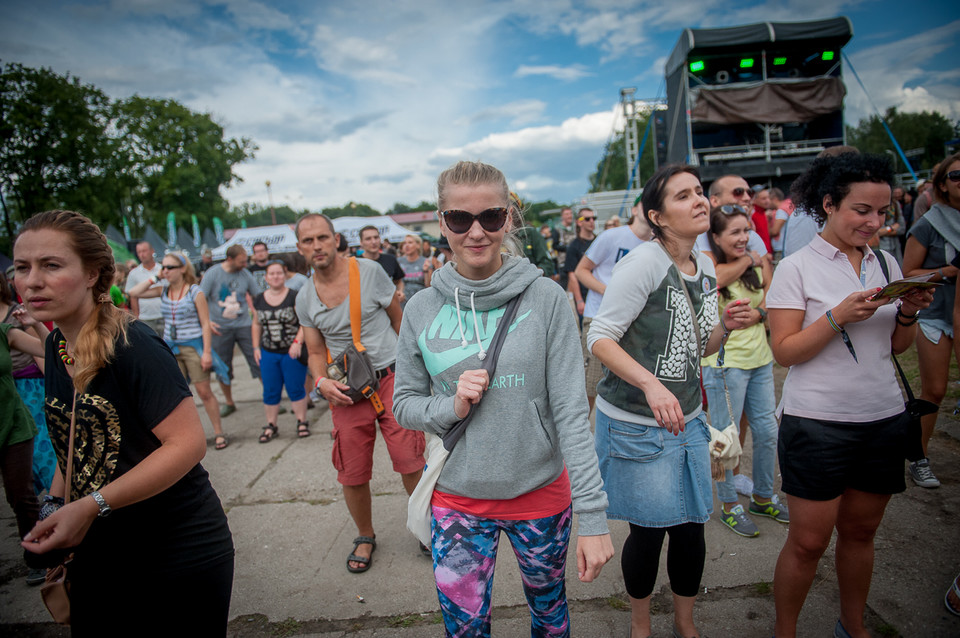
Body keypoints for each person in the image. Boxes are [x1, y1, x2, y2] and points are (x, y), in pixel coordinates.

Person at [392, 160, 614, 637]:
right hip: (457, 501)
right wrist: (449, 406)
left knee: (550, 619)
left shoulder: (547, 299)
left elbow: (573, 413)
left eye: (491, 217)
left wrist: (594, 517)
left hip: (540, 495)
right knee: (465, 630)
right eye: (459, 219)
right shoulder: (421, 308)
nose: (476, 232)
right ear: (441, 223)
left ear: (510, 218)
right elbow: (404, 403)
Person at [16, 210, 234, 636]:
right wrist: (55, 504)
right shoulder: (60, 344)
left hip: (175, 550)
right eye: (22, 267)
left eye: (51, 265)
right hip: (100, 551)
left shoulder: (133, 344)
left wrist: (91, 505)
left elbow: (187, 445)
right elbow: (74, 442)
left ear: (93, 273)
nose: (32, 281)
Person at [765, 153, 934, 638]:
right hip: (817, 423)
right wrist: (837, 316)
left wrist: (908, 311)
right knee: (808, 542)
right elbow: (785, 352)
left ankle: (854, 627)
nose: (874, 222)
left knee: (861, 534)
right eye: (862, 210)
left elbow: (896, 346)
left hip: (883, 419)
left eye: (882, 212)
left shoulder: (884, 261)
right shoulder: (794, 268)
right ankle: (785, 631)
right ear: (829, 204)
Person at [588, 165, 753, 638]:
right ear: (657, 216)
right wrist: (651, 385)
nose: (700, 201)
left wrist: (727, 328)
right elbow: (599, 337)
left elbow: (698, 345)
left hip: (689, 419)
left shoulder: (702, 263)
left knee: (692, 528)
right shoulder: (642, 264)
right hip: (637, 423)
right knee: (649, 531)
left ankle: (686, 623)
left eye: (700, 192)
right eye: (684, 196)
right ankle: (641, 626)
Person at [294, 213, 425, 574]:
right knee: (352, 472)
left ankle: (426, 528)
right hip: (348, 390)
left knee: (410, 459)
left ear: (335, 239)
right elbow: (316, 351)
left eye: (323, 237)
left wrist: (414, 372)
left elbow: (400, 321)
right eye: (308, 241)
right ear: (299, 248)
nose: (317, 246)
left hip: (390, 378)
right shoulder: (304, 297)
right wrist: (321, 383)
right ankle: (365, 535)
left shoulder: (369, 272)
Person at [701, 205, 787, 538]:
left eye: (746, 230)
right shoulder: (711, 268)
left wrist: (760, 315)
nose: (743, 237)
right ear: (717, 237)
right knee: (725, 440)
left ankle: (763, 497)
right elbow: (717, 281)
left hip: (760, 360)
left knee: (767, 432)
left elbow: (773, 298)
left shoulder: (756, 261)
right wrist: (746, 260)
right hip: (725, 365)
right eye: (734, 232)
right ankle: (728, 505)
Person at [127, 251, 230, 451]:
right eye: (163, 267)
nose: (165, 271)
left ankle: (218, 432)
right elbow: (133, 292)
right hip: (170, 347)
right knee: (176, 395)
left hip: (192, 346)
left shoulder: (194, 292)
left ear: (182, 269)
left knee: (203, 391)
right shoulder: (162, 290)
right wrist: (155, 277)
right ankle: (184, 438)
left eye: (170, 267)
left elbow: (205, 323)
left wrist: (207, 352)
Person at [902, 152, 960, 488]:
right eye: (956, 176)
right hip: (936, 315)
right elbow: (908, 273)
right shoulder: (928, 224)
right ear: (942, 184)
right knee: (935, 390)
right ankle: (918, 457)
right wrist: (946, 271)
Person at [574, 196, 652, 413]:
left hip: (636, 322)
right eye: (647, 202)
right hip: (599, 317)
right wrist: (609, 293)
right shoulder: (613, 236)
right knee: (590, 385)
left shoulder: (656, 244)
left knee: (630, 385)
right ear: (635, 209)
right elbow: (581, 270)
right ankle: (579, 437)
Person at [1, 306, 46, 586]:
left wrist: (37, 324)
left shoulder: (5, 332)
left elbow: (54, 350)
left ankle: (38, 558)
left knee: (21, 495)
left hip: (14, 425)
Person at [2, 270, 57, 498]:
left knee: (41, 445)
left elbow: (45, 351)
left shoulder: (15, 314)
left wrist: (53, 383)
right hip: (9, 390)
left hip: (29, 386)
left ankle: (56, 497)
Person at [201, 244, 262, 417]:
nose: (245, 264)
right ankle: (229, 402)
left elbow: (257, 295)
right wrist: (207, 321)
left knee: (257, 360)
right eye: (241, 261)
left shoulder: (245, 273)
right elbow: (201, 298)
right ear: (230, 259)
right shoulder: (213, 273)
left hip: (243, 324)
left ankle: (269, 397)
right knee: (223, 365)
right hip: (220, 326)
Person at [252, 260, 310, 441]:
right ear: (266, 277)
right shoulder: (259, 299)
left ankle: (301, 421)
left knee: (295, 387)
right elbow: (256, 323)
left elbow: (304, 322)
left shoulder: (294, 296)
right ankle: (271, 424)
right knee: (270, 389)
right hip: (268, 351)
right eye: (272, 274)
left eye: (279, 273)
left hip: (291, 351)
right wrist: (255, 347)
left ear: (284, 275)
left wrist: (298, 342)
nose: (276, 277)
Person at [124, 241, 163, 336]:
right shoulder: (134, 273)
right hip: (145, 317)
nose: (142, 254)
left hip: (164, 315)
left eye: (144, 251)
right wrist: (137, 317)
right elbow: (132, 296)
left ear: (152, 251)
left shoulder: (162, 270)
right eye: (139, 252)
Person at [565, 208, 596, 318]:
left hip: (601, 293)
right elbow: (572, 275)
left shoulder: (599, 241)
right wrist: (579, 300)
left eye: (593, 218)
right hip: (585, 295)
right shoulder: (574, 246)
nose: (592, 221)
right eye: (587, 219)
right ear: (579, 222)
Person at [359, 225, 405, 301]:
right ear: (361, 242)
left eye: (376, 237)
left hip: (388, 308)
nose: (373, 242)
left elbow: (399, 281)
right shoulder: (354, 262)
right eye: (368, 239)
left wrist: (400, 291)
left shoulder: (390, 259)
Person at [399, 233, 431, 306]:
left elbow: (428, 285)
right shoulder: (399, 261)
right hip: (403, 302)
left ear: (418, 245)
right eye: (405, 243)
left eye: (410, 242)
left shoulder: (425, 262)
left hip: (420, 301)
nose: (406, 245)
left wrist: (426, 271)